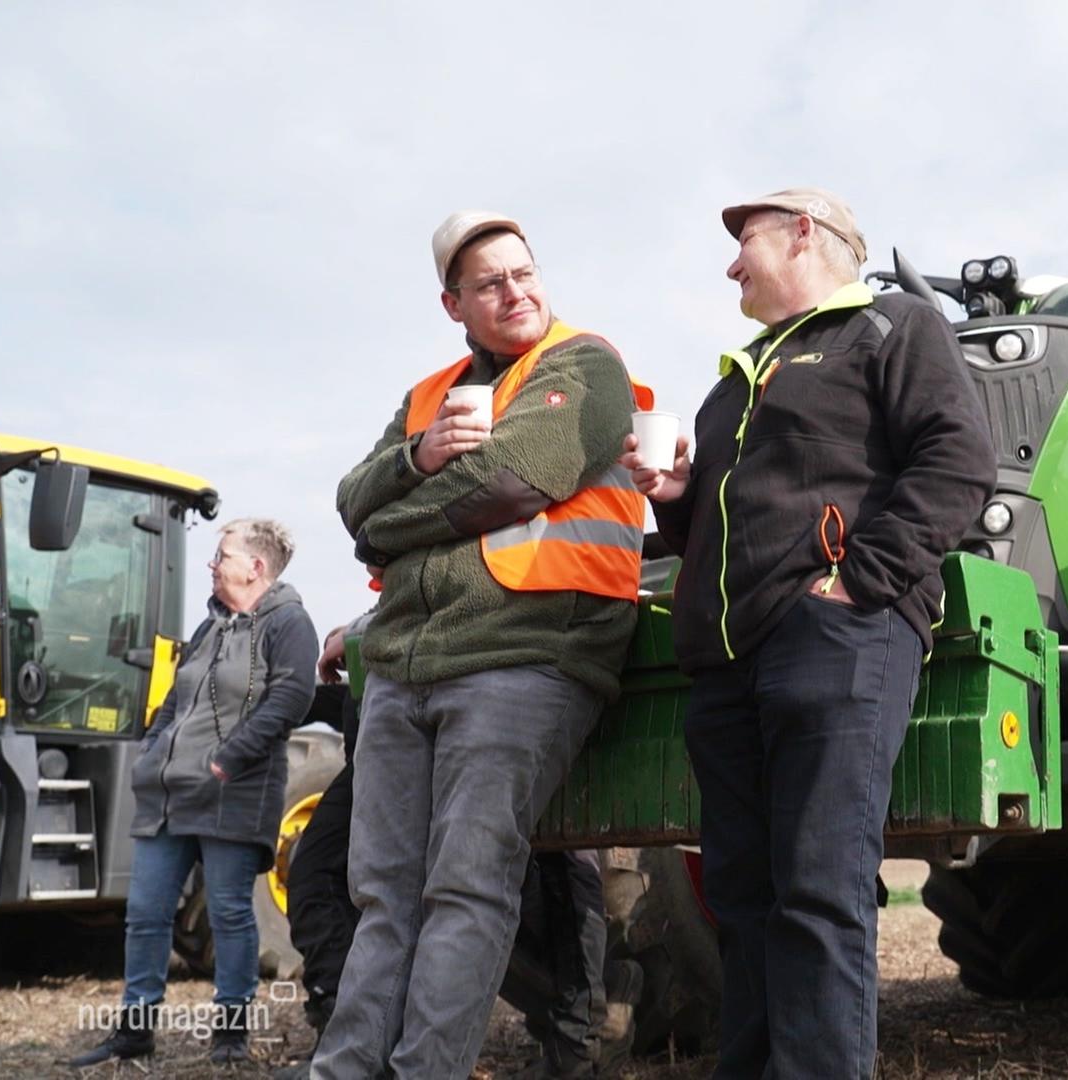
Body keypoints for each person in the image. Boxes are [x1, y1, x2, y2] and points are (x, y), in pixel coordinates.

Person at [623, 188, 995, 1077]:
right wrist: (675, 503)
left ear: (802, 233)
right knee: (743, 896)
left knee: (818, 887)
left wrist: (857, 582)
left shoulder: (890, 326)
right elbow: (716, 533)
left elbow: (958, 459)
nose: (729, 265)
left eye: (742, 240)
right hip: (726, 660)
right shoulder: (730, 388)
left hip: (833, 638)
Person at [311, 210, 644, 1079]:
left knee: (465, 885)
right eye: (490, 282)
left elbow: (512, 480)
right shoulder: (430, 396)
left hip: (524, 653)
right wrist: (417, 458)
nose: (516, 291)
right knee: (382, 895)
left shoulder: (583, 364)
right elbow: (352, 501)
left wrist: (390, 531)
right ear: (453, 303)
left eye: (524, 272)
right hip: (404, 664)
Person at [274, 617, 640, 1080]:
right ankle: (356, 1050)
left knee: (481, 886)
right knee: (375, 887)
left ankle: (579, 1028)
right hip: (414, 665)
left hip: (521, 653)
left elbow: (493, 569)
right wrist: (370, 626)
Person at [68, 518, 320, 1066]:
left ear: (256, 567)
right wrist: (150, 752)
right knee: (145, 911)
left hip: (235, 792)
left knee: (229, 913)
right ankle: (134, 1031)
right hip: (170, 792)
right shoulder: (210, 628)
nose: (212, 563)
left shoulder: (289, 623)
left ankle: (230, 1034)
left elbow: (292, 699)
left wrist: (228, 760)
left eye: (222, 554)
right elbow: (174, 705)